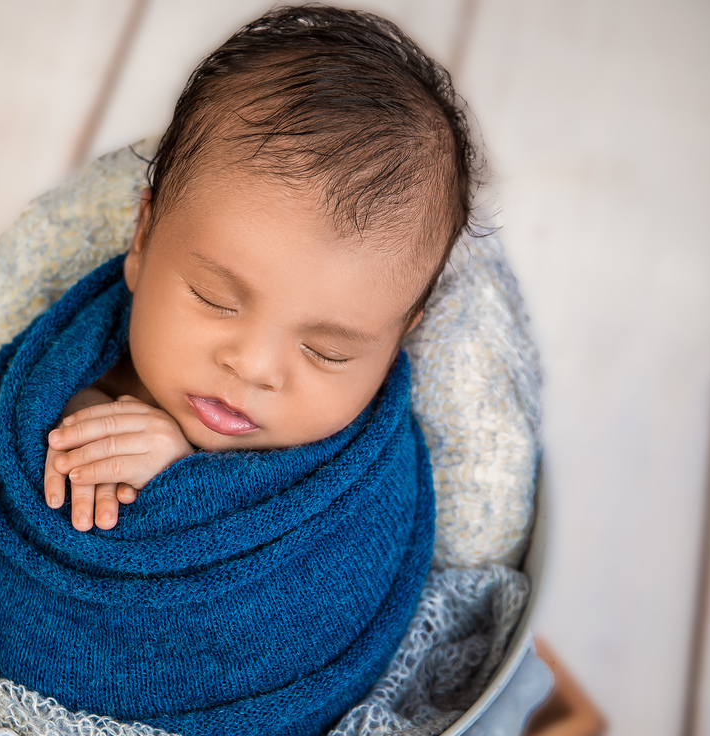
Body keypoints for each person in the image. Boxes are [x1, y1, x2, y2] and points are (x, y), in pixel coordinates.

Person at [43, 5, 477, 532]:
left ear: (397, 338)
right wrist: (85, 419)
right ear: (143, 239)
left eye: (327, 352)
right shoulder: (82, 357)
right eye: (213, 298)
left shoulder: (355, 479)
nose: (252, 366)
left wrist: (187, 478)